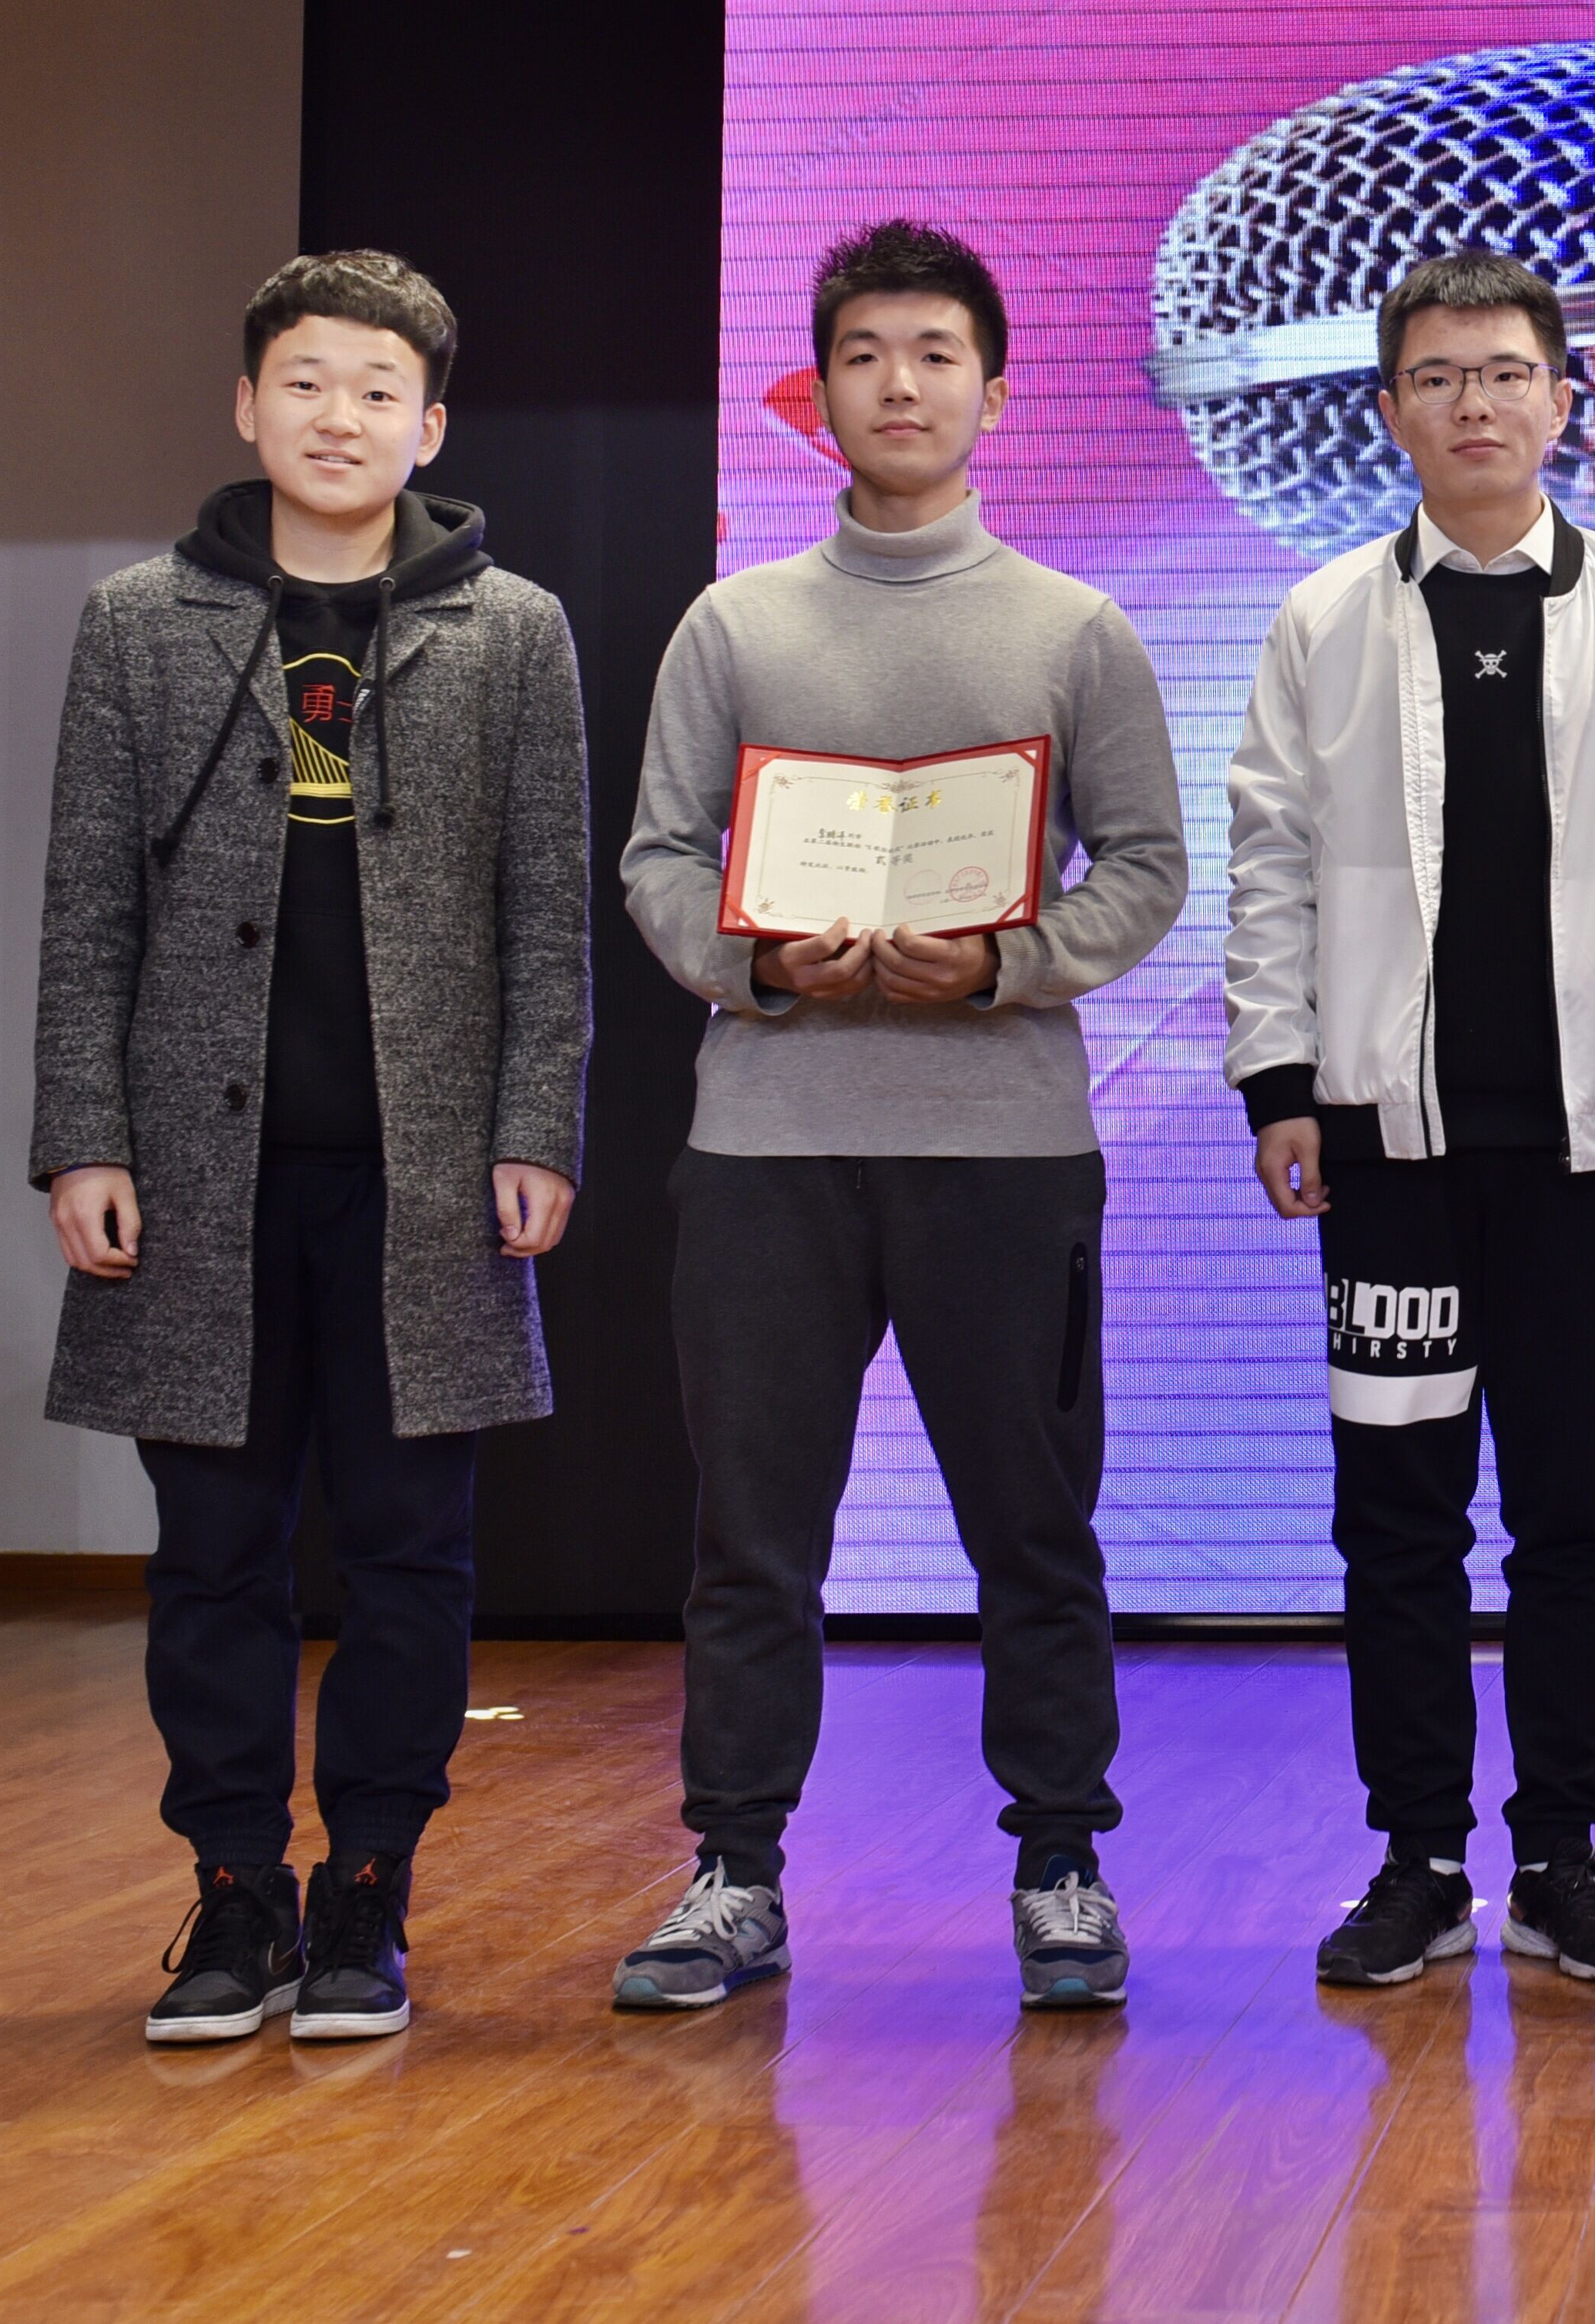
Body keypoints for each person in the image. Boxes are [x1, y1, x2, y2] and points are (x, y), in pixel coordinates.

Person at [608, 219, 1187, 2015]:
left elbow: (1146, 868)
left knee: (1035, 1528)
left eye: (936, 354)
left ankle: (1061, 1862)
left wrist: (1006, 959)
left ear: (993, 393)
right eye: (863, 354)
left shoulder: (1074, 630)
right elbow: (659, 857)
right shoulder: (736, 623)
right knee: (752, 1537)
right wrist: (759, 966)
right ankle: (733, 1870)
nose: (901, 384)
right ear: (820, 393)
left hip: (1003, 1151)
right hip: (766, 1149)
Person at [32, 249, 591, 2047]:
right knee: (213, 1550)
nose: (336, 416)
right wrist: (83, 1136)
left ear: (429, 427)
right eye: (304, 381)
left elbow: (547, 916)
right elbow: (85, 908)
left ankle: (365, 1889)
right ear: (245, 406)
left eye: (375, 389)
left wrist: (535, 1126)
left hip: (425, 1179)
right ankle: (231, 1888)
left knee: (412, 1550)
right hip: (201, 1177)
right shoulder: (140, 622)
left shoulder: (514, 629)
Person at [1224, 249, 1595, 1993]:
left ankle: (1560, 1855)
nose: (1476, 403)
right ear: (1390, 408)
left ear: (1561, 397)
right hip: (1385, 1145)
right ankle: (1417, 1857)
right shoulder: (1325, 619)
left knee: (1573, 1507)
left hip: (1586, 1145)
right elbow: (1273, 866)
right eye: (1441, 376)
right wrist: (1280, 1080)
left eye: (1507, 371)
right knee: (1397, 1513)